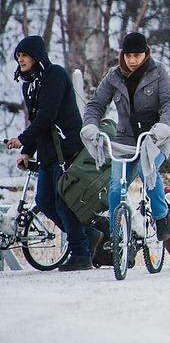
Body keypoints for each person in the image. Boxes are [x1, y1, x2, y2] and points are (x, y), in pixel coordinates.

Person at [7, 35, 100, 271]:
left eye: (25, 55)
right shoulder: (30, 84)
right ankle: (89, 235)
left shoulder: (55, 75)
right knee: (44, 201)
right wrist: (28, 151)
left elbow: (48, 116)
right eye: (18, 57)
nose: (21, 60)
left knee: (64, 201)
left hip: (66, 150)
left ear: (37, 56)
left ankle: (81, 253)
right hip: (49, 153)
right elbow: (38, 120)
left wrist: (23, 140)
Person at [83, 32, 170, 242]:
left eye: (137, 55)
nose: (132, 60)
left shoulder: (159, 72)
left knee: (148, 174)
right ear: (122, 56)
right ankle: (115, 237)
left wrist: (163, 127)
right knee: (117, 186)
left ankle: (162, 215)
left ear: (146, 54)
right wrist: (90, 126)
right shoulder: (114, 76)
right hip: (125, 140)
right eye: (128, 55)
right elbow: (96, 104)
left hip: (154, 138)